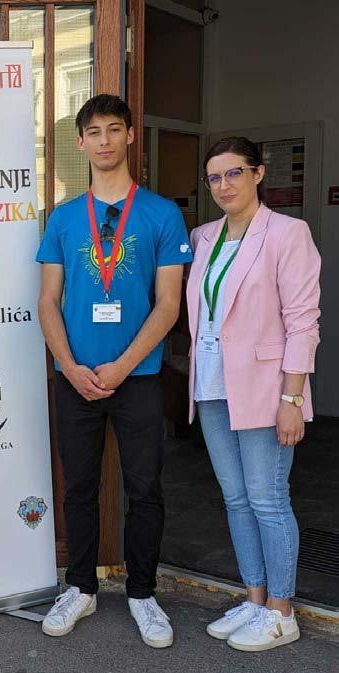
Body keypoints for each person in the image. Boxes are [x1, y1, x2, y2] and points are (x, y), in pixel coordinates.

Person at [36, 94, 192, 648]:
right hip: (76, 379)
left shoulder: (161, 214)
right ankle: (80, 587)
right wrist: (69, 366)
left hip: (139, 378)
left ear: (129, 135)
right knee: (78, 487)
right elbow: (47, 301)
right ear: (81, 143)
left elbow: (169, 305)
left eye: (113, 129)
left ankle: (143, 593)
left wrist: (123, 367)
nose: (104, 140)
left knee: (144, 488)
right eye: (94, 132)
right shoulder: (61, 218)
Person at [187, 137, 320, 652]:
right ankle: (256, 598)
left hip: (266, 389)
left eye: (234, 173)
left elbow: (302, 323)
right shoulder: (204, 237)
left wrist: (292, 400)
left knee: (267, 498)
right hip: (212, 385)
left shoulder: (287, 233)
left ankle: (282, 612)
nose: (224, 185)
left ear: (258, 174)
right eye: (214, 177)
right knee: (236, 498)